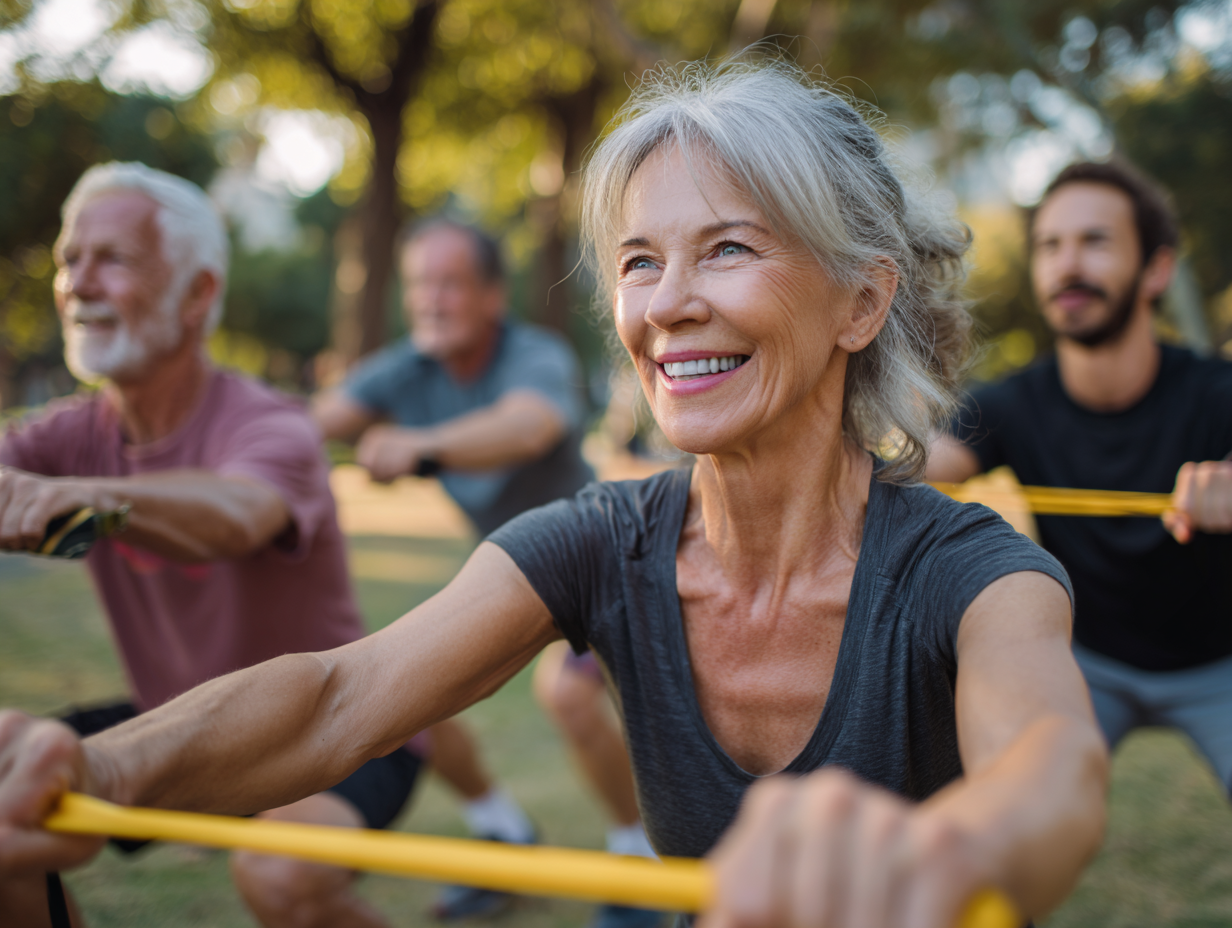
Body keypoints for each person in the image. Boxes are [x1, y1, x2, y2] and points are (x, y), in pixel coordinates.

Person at [0, 60, 1107, 928]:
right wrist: (102, 763)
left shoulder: (970, 573)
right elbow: (343, 695)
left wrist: (944, 853)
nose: (666, 304)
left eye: (724, 249)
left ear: (859, 303)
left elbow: (1050, 772)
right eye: (636, 261)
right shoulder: (599, 543)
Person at [0, 162, 425, 928]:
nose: (79, 283)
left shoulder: (272, 424)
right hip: (173, 721)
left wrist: (92, 499)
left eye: (113, 259)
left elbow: (237, 513)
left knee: (281, 877)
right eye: (70, 260)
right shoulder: (67, 432)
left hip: (334, 728)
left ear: (197, 295)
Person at [314, 220, 663, 927]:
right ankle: (503, 828)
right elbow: (316, 422)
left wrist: (419, 446)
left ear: (492, 297)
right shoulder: (409, 366)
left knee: (568, 697)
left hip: (600, 559)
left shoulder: (533, 354)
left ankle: (641, 865)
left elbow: (527, 425)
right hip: (513, 575)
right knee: (405, 689)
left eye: (449, 284)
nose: (430, 302)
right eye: (419, 286)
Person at [928, 161, 1232, 788]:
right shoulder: (1011, 403)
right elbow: (930, 464)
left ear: (1156, 269)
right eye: (1050, 246)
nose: (1068, 265)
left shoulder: (1215, 391)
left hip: (1221, 665)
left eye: (1094, 242)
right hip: (1088, 664)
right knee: (1013, 797)